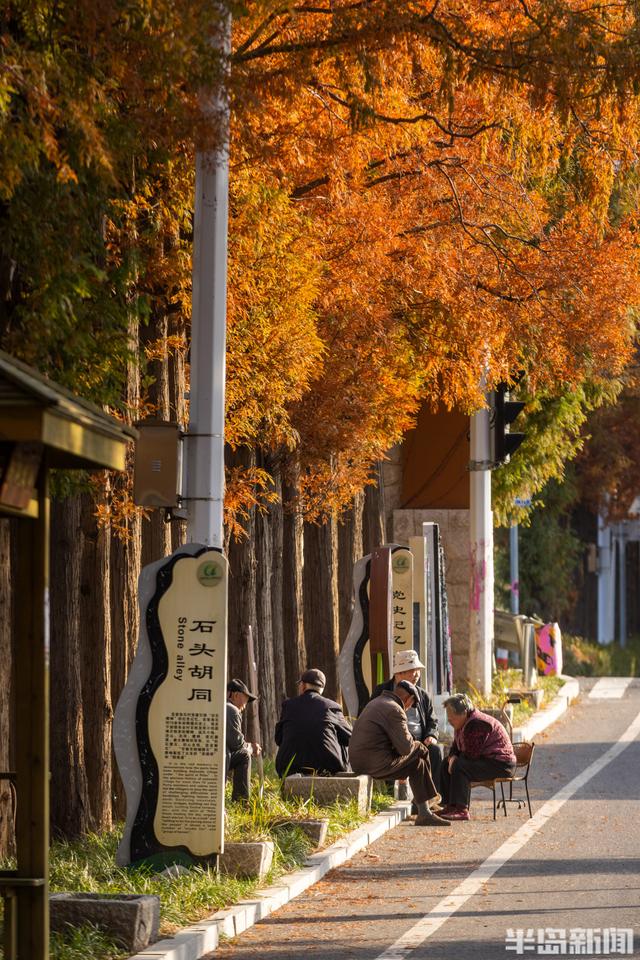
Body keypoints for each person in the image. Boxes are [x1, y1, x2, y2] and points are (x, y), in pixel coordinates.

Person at [349, 680, 450, 827]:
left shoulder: (377, 702)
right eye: (412, 705)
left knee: (418, 763)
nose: (409, 709)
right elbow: (406, 748)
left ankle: (424, 809)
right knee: (421, 749)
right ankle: (427, 800)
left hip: (359, 762)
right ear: (409, 699)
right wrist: (418, 745)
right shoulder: (395, 710)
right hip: (374, 763)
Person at [370, 649, 442, 792]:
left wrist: (431, 735)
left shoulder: (422, 695)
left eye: (418, 670)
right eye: (412, 670)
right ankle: (388, 794)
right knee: (389, 751)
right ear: (399, 673)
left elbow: (432, 720)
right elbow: (373, 718)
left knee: (435, 751)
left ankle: (433, 796)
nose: (417, 675)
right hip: (392, 740)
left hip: (419, 741)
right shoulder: (381, 691)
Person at [439, 693, 517, 821]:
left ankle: (462, 810)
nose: (449, 721)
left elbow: (471, 754)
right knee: (445, 764)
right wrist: (452, 758)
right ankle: (450, 806)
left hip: (501, 764)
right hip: (487, 760)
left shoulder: (477, 724)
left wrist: (455, 759)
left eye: (452, 717)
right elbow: (455, 748)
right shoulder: (461, 724)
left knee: (460, 765)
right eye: (448, 717)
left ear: (464, 713)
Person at [275, 668, 352, 777]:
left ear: (303, 686)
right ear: (321, 689)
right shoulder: (332, 707)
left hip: (289, 770)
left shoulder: (288, 706)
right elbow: (350, 737)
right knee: (343, 737)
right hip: (325, 769)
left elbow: (278, 738)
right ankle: (343, 778)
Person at [226, 679, 261, 801]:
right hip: (218, 760)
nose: (245, 706)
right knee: (244, 755)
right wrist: (251, 747)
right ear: (235, 695)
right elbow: (236, 744)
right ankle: (241, 802)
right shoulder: (231, 709)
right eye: (245, 701)